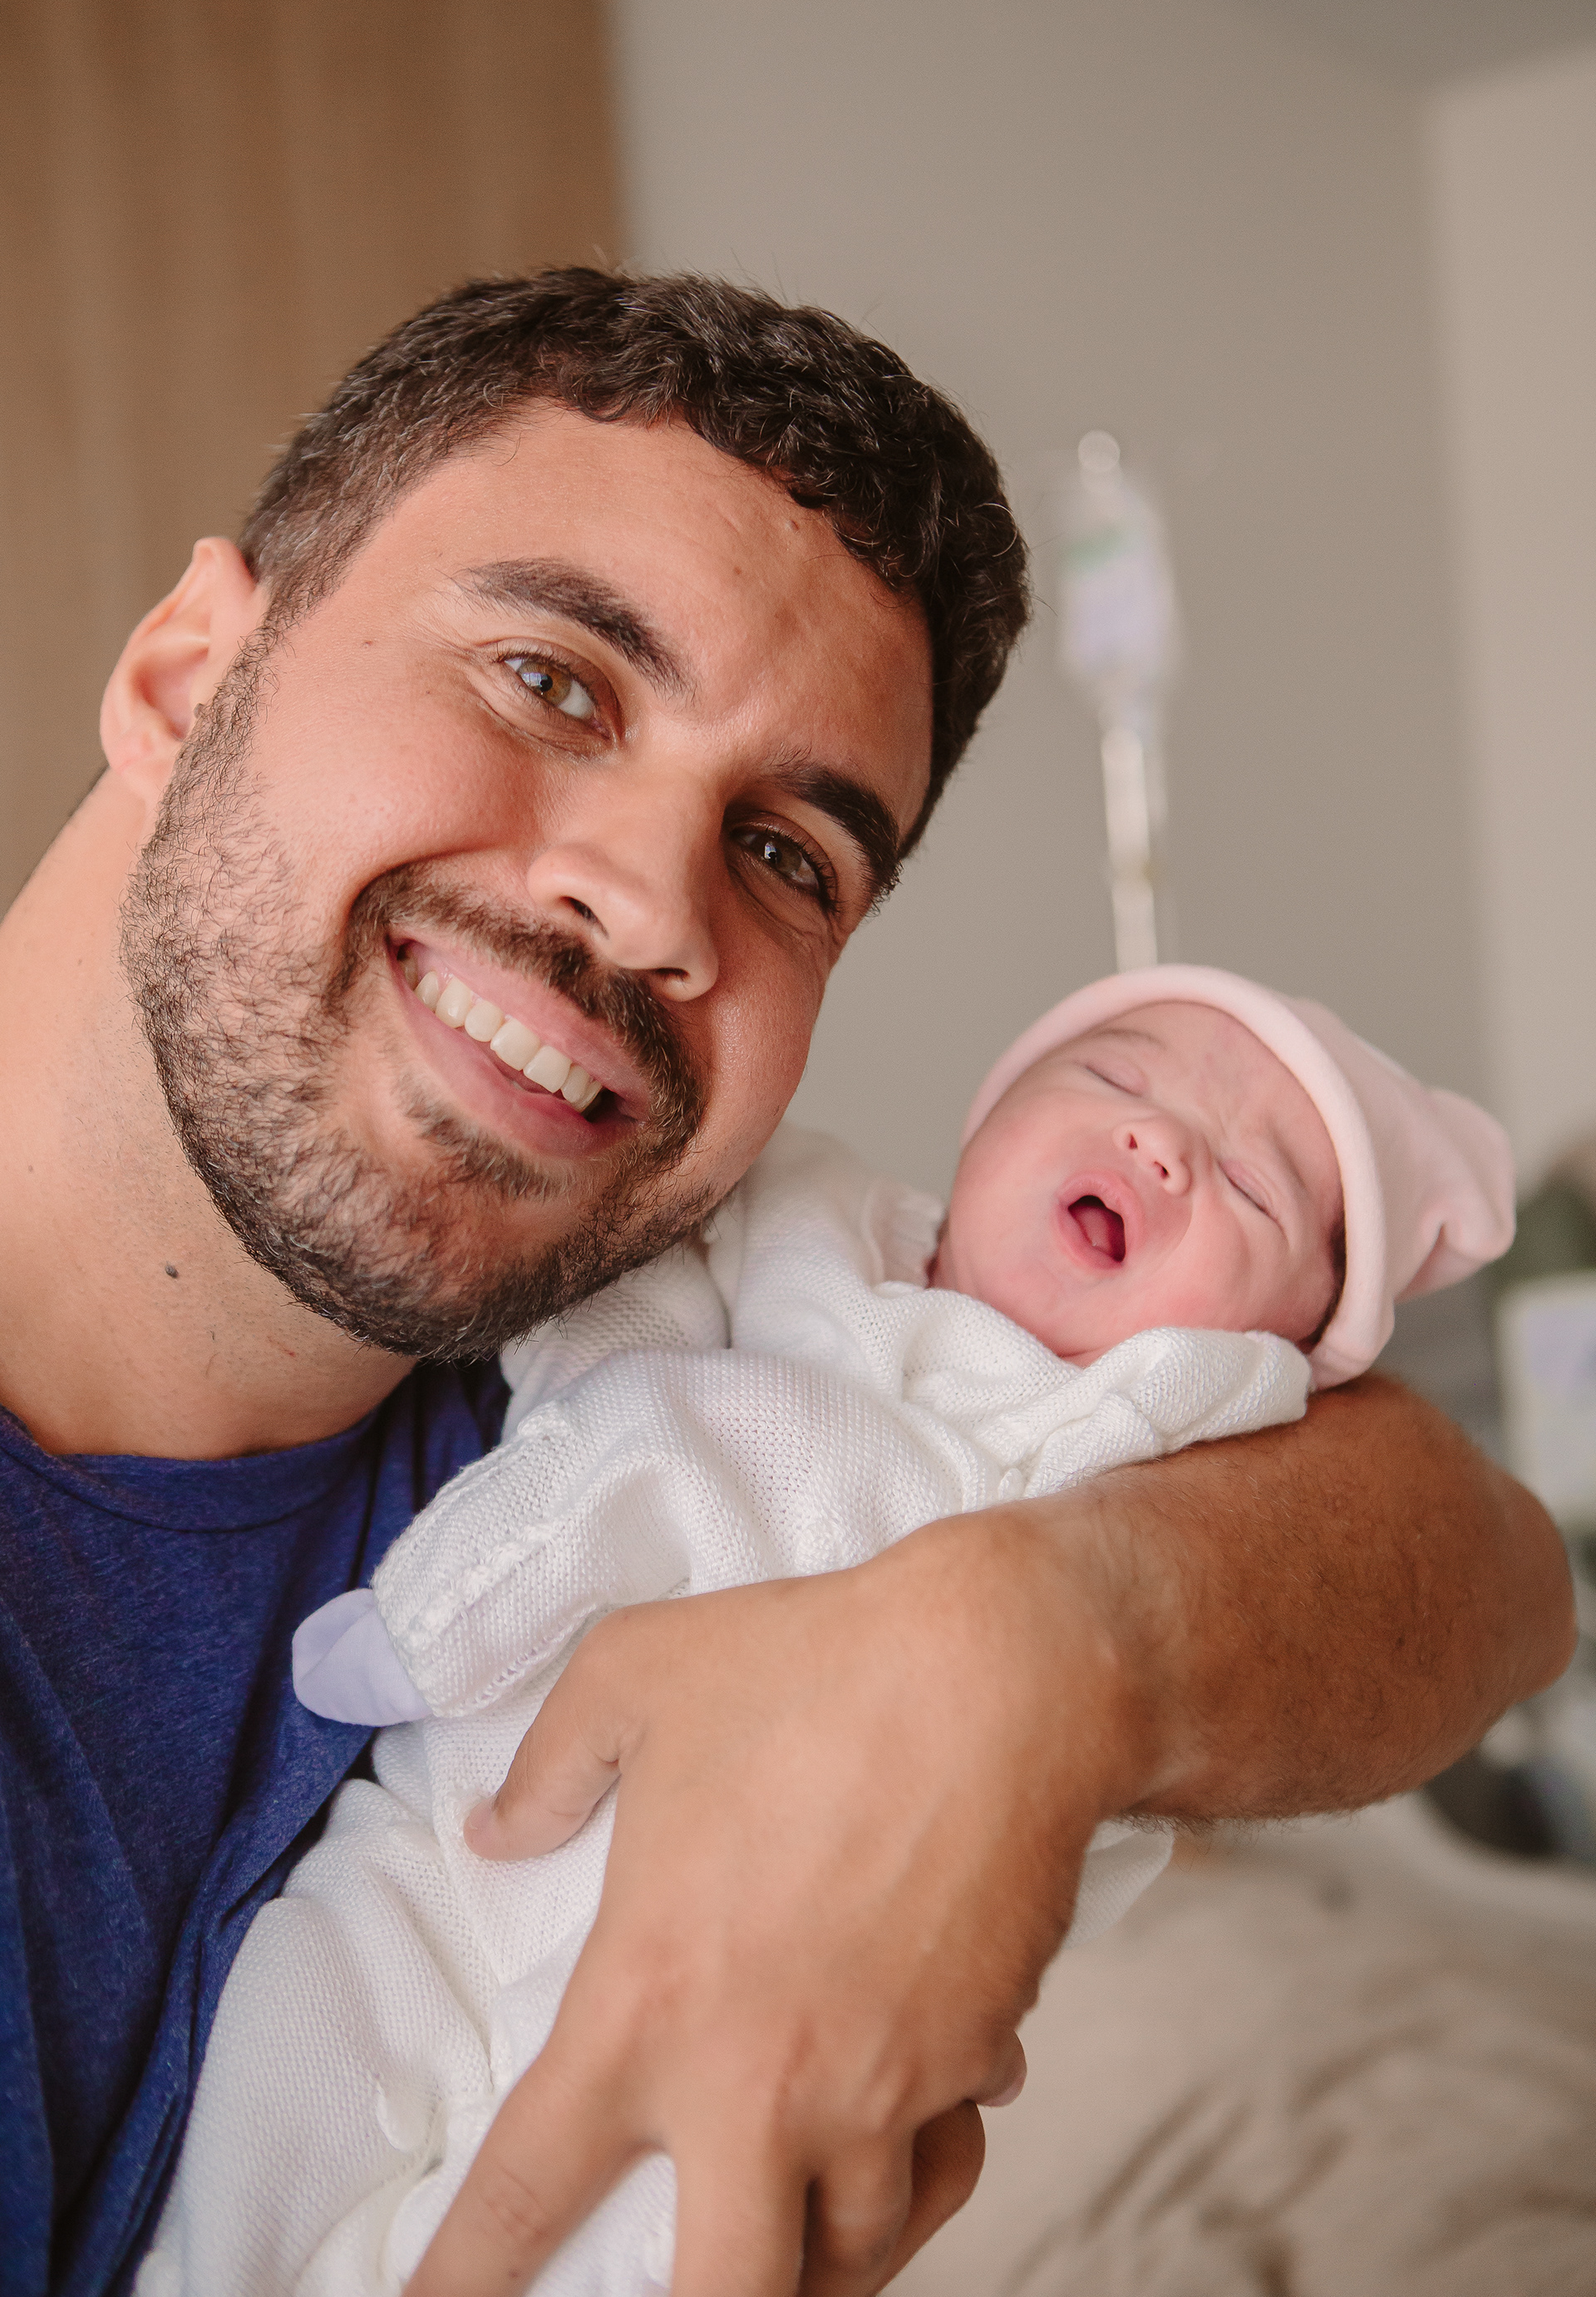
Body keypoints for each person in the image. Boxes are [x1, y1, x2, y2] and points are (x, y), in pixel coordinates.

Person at [0, 267, 1569, 2297]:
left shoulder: (593, 1333)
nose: (655, 903)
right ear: (182, 677)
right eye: (553, 680)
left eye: (788, 857)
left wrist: (1035, 1650)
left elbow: (1490, 1567)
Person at [142, 968, 1516, 2292]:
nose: (1163, 1144)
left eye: (1257, 1188)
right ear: (988, 1119)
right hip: (440, 1863)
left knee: (663, 2216)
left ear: (1289, 1350)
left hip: (762, 1986)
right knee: (279, 2088)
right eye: (1114, 1077)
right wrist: (479, 1569)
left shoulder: (1148, 1459)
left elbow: (1467, 1561)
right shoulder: (805, 1227)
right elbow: (622, 1358)